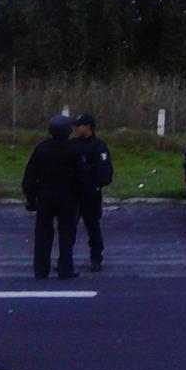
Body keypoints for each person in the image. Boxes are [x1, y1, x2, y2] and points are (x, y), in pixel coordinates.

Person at [22, 115, 86, 280]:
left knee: (43, 233)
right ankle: (65, 269)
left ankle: (41, 270)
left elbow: (29, 176)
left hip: (45, 195)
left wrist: (31, 198)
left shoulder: (41, 148)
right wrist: (80, 194)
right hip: (68, 197)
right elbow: (82, 176)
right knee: (66, 234)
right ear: (68, 131)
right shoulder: (75, 150)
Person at [71, 114, 113, 272]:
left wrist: (95, 184)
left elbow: (105, 171)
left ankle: (96, 258)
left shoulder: (98, 146)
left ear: (88, 126)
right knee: (68, 227)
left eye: (80, 125)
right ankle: (65, 259)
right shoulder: (73, 144)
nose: (77, 128)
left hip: (90, 193)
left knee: (92, 226)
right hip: (73, 193)